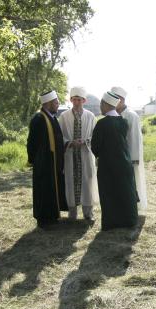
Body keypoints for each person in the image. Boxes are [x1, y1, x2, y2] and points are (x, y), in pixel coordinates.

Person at [91, 91, 139, 231]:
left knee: (110, 194)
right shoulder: (123, 122)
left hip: (108, 166)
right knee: (125, 192)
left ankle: (112, 222)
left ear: (106, 105)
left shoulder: (102, 123)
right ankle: (129, 220)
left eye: (101, 104)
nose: (100, 107)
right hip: (124, 163)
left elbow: (95, 147)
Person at [27, 90, 67, 228]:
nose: (58, 104)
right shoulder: (39, 119)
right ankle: (44, 219)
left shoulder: (52, 117)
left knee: (52, 190)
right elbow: (32, 142)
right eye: (56, 102)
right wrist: (34, 161)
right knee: (44, 190)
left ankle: (52, 216)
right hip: (44, 164)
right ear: (48, 103)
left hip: (54, 162)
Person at [57, 87, 97, 222]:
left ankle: (88, 213)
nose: (76, 102)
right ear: (70, 100)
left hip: (85, 154)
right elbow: (59, 136)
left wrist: (85, 141)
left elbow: (95, 136)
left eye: (79, 100)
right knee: (70, 182)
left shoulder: (90, 116)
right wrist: (69, 142)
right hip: (70, 155)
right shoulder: (64, 116)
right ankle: (72, 213)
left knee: (87, 182)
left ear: (84, 100)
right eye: (74, 99)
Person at [111, 86, 147, 210]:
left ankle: (134, 208)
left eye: (116, 99)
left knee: (132, 183)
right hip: (117, 157)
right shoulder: (114, 114)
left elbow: (135, 139)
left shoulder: (131, 115)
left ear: (122, 99)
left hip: (129, 158)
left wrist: (133, 159)